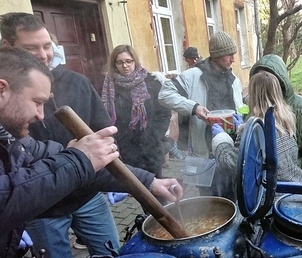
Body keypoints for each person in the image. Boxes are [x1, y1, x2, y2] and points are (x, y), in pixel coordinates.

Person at [0, 47, 184, 258]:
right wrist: (77, 160)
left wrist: (150, 181)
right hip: (47, 213)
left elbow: (85, 163)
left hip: (85, 197)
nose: (41, 116)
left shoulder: (15, 140)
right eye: (37, 102)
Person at [1, 12, 120, 256]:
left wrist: (138, 178)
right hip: (42, 207)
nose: (44, 55)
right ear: (7, 48)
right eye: (31, 48)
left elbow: (101, 134)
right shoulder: (8, 107)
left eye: (47, 46)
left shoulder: (78, 82)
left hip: (87, 194)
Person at [158, 31, 245, 199]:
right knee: (209, 201)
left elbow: (240, 108)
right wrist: (194, 107)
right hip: (204, 154)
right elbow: (164, 94)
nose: (233, 59)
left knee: (233, 199)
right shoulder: (193, 76)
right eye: (229, 55)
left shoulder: (234, 79)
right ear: (217, 54)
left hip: (231, 153)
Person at [211, 71, 302, 200]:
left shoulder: (254, 130)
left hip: (268, 203)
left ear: (254, 96)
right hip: (294, 192)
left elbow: (232, 165)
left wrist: (221, 139)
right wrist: (242, 128)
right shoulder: (286, 120)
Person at [249, 54, 302, 183]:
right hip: (262, 176)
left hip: (296, 172)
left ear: (280, 80)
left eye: (267, 78)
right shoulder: (254, 105)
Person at [102, 45, 172, 179]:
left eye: (129, 61)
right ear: (114, 64)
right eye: (120, 62)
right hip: (124, 148)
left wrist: (155, 136)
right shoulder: (109, 85)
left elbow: (164, 113)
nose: (125, 65)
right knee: (132, 187)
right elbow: (105, 116)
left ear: (135, 61)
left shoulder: (151, 82)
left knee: (155, 191)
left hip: (150, 147)